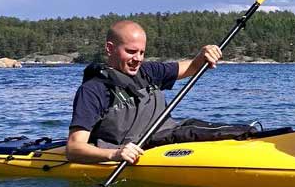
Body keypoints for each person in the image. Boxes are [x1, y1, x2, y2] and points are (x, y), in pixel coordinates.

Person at [67, 19, 260, 165]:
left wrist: (204, 55)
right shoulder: (93, 90)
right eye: (131, 51)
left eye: (141, 52)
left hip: (169, 132)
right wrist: (115, 154)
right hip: (142, 146)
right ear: (110, 48)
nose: (138, 59)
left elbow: (192, 67)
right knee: (204, 132)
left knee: (229, 130)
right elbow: (74, 148)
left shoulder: (148, 71)